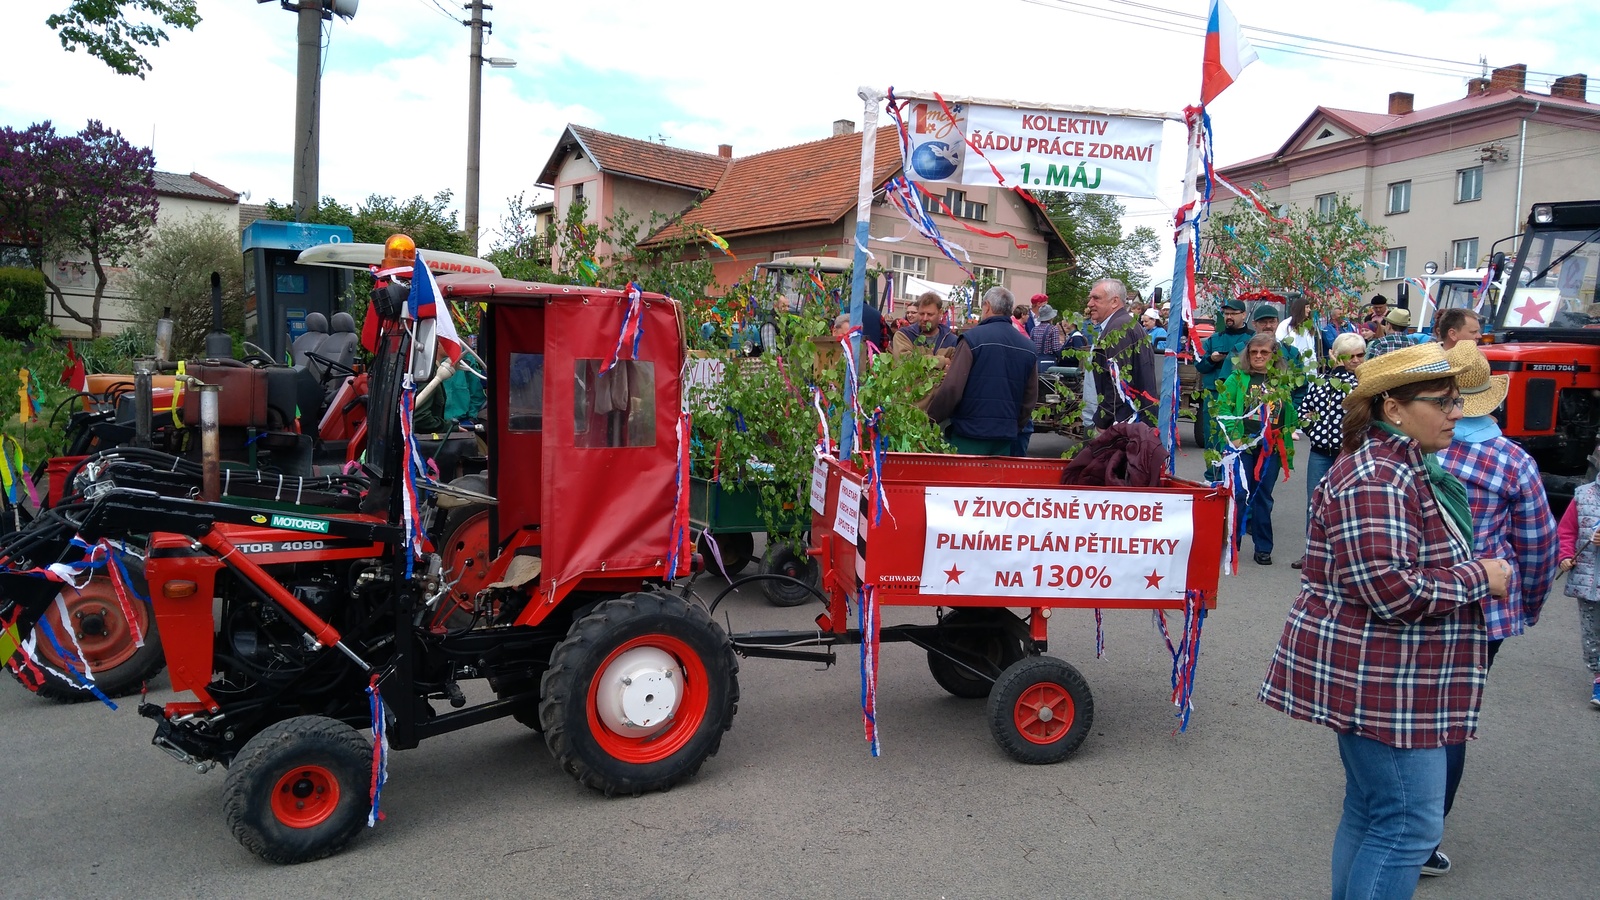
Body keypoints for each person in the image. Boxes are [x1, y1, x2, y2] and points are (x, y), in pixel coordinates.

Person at [1259, 342, 1512, 900]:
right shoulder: (1379, 476)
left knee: (1375, 814)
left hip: (1389, 673)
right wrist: (1481, 577)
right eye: (1443, 402)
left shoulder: (1401, 464)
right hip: (1384, 678)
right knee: (1407, 826)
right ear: (1393, 409)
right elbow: (1389, 590)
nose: (1456, 413)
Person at [1427, 340, 1556, 878]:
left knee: (1407, 700)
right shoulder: (1512, 461)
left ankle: (1393, 808)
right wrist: (1528, 605)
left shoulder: (1414, 448)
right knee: (1452, 718)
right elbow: (1538, 543)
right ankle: (1425, 831)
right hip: (1483, 608)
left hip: (1420, 592)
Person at [924, 286, 1038, 456]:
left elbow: (952, 388)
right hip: (1004, 437)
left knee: (965, 481)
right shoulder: (1028, 346)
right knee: (995, 482)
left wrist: (931, 418)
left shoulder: (973, 339)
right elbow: (1030, 398)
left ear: (987, 306)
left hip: (968, 434)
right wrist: (1015, 425)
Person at [1216, 332, 1298, 565]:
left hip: (1270, 447)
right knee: (1240, 494)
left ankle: (1263, 547)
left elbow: (1288, 410)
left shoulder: (1281, 381)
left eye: (1264, 352)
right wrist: (1235, 437)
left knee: (1263, 496)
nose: (1259, 356)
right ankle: (1232, 544)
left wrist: (1289, 428)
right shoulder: (1236, 379)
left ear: (1274, 355)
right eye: (1254, 352)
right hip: (1242, 446)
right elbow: (1224, 407)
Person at [1292, 332, 1366, 570]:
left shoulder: (1367, 384)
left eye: (1360, 355)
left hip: (1351, 452)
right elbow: (1304, 411)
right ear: (1337, 355)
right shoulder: (1321, 382)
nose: (1355, 360)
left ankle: (1345, 558)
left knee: (1351, 505)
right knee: (1314, 504)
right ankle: (1312, 554)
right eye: (1349, 356)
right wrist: (1315, 430)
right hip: (1321, 451)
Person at [1555, 448, 1600, 709]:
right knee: (1592, 632)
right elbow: (1567, 530)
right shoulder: (1583, 496)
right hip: (1588, 580)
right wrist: (1565, 556)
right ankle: (1598, 676)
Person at [1085, 278, 1157, 428]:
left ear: (1114, 302)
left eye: (1096, 298)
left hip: (1122, 425)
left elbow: (1118, 385)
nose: (1090, 303)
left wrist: (1103, 421)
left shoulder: (1118, 329)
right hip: (1128, 423)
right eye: (1090, 298)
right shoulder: (1122, 325)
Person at [1195, 298, 1253, 477]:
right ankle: (1213, 475)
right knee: (1212, 436)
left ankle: (1239, 475)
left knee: (1240, 434)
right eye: (1226, 314)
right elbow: (1200, 366)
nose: (1229, 317)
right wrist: (1211, 359)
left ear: (1243, 315)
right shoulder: (1214, 339)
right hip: (1214, 394)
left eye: (1233, 314)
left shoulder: (1252, 339)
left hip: (1242, 395)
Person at [891, 292, 959, 364]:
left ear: (940, 313)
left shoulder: (952, 341)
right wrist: (943, 361)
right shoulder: (904, 335)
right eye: (921, 314)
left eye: (930, 314)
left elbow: (957, 368)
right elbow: (904, 361)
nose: (925, 318)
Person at [1031, 303, 1064, 372]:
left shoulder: (1034, 329)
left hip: (1035, 362)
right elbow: (1056, 348)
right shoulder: (1053, 329)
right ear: (1051, 317)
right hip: (1049, 363)